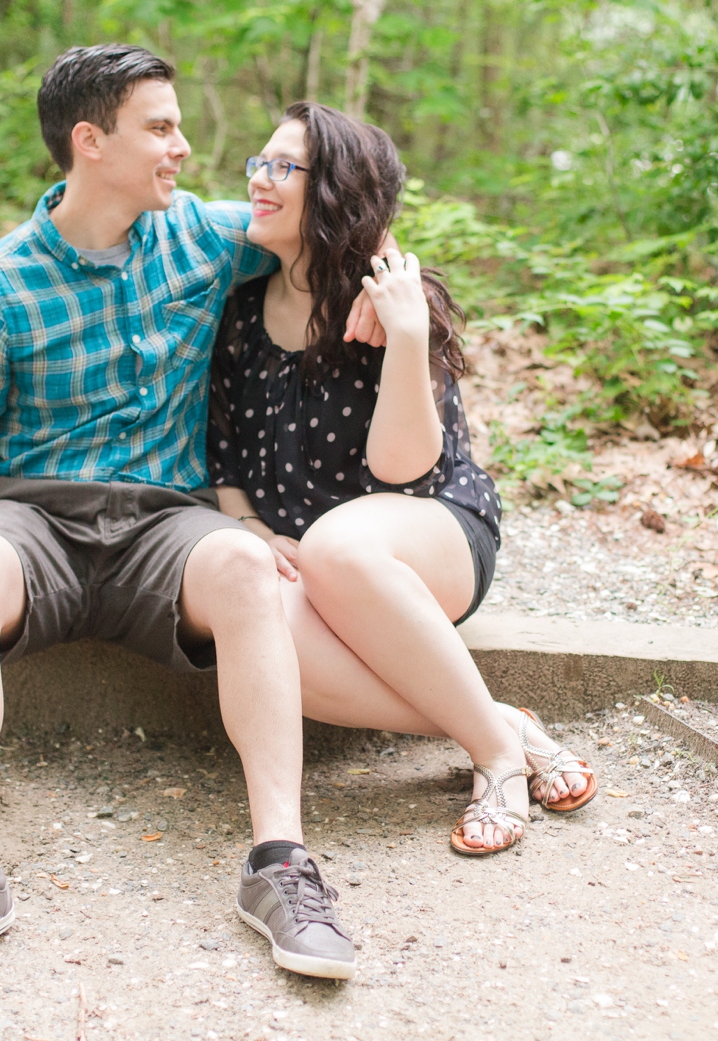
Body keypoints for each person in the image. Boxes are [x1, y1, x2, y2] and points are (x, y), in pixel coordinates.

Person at [0, 46, 383, 988]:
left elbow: (333, 222)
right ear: (91, 143)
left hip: (168, 526)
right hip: (35, 519)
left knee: (249, 565)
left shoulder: (202, 236)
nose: (185, 148)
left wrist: (390, 297)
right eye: (160, 128)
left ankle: (281, 864)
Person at [209, 102, 597, 857]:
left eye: (283, 168)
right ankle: (499, 725)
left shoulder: (389, 305)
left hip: (426, 537)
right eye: (258, 163)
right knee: (259, 629)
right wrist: (250, 527)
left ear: (332, 193)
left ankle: (493, 762)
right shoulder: (240, 313)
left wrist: (411, 332)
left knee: (337, 547)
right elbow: (224, 455)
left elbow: (403, 468)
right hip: (311, 559)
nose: (260, 180)